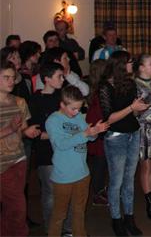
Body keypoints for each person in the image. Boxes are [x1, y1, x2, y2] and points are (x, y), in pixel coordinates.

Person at [46, 87, 108, 237]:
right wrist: (85, 133)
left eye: (79, 109)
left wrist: (94, 132)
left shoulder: (79, 116)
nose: (76, 112)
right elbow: (61, 144)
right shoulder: (53, 120)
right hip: (63, 176)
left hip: (82, 173)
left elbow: (89, 137)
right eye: (73, 108)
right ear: (62, 104)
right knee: (59, 215)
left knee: (79, 212)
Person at [100, 58, 149, 237]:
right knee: (116, 181)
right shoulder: (105, 87)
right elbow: (109, 118)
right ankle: (116, 219)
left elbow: (133, 113)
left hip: (133, 133)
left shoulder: (130, 83)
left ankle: (129, 217)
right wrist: (131, 108)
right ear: (119, 65)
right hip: (116, 137)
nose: (131, 64)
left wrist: (139, 108)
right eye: (128, 61)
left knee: (129, 180)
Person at [2, 62, 42, 237]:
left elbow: (22, 131)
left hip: (17, 160)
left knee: (17, 209)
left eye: (13, 77)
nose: (11, 81)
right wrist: (9, 129)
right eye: (6, 77)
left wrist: (28, 132)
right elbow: (11, 130)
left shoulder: (19, 102)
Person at [28, 63, 68, 234]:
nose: (63, 79)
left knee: (67, 191)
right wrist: (59, 135)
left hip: (66, 152)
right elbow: (36, 132)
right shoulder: (36, 99)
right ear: (47, 79)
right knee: (51, 192)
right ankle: (52, 229)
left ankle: (68, 228)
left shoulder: (63, 96)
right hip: (46, 153)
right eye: (59, 76)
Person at [133, 54, 151, 220]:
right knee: (147, 166)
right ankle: (150, 201)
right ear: (141, 67)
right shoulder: (134, 85)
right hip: (145, 128)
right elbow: (134, 112)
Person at [86, 59, 109, 207]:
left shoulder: (94, 88)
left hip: (97, 127)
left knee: (99, 163)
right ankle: (97, 193)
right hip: (98, 128)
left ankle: (99, 190)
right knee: (100, 163)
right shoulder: (99, 90)